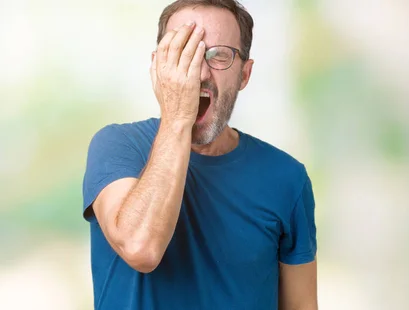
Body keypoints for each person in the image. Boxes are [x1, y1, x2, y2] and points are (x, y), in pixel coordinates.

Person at [81, 0, 317, 309]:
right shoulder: (115, 146)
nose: (199, 72)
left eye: (219, 54)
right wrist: (178, 117)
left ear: (245, 75)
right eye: (182, 54)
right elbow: (141, 248)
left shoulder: (288, 178)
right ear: (158, 67)